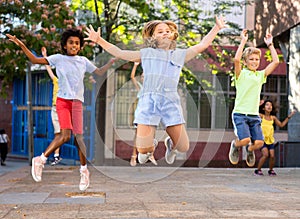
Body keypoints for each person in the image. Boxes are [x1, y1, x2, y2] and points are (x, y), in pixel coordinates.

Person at [84, 16, 226, 164]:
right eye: (160, 31)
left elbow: (202, 45)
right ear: (152, 37)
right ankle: (149, 146)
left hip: (170, 102)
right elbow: (120, 53)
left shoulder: (179, 55)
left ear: (172, 35)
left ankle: (170, 144)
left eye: (168, 31)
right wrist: (99, 40)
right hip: (149, 101)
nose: (165, 33)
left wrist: (216, 28)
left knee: (183, 146)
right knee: (143, 153)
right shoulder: (146, 54)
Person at [7, 28, 115, 191]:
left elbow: (99, 72)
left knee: (79, 139)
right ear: (65, 45)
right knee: (65, 135)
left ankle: (84, 171)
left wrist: (111, 62)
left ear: (80, 46)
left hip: (77, 103)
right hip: (63, 102)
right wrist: (21, 44)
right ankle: (41, 160)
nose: (74, 45)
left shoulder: (83, 61)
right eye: (71, 42)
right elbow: (35, 60)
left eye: (77, 43)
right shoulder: (58, 59)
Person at [229, 29, 279, 167]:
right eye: (251, 59)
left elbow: (275, 62)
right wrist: (243, 41)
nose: (255, 61)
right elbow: (236, 59)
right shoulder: (240, 74)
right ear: (246, 62)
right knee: (244, 139)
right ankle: (235, 145)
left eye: (257, 59)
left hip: (254, 115)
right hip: (240, 114)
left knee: (259, 143)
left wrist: (270, 45)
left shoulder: (260, 76)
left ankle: (249, 150)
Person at [254, 100, 295, 176]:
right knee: (265, 154)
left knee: (272, 156)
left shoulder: (273, 118)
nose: (269, 106)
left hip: (270, 140)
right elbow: (253, 113)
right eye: (267, 105)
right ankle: (257, 170)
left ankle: (271, 170)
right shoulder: (261, 116)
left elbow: (281, 125)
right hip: (262, 140)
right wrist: (258, 104)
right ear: (263, 108)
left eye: (270, 105)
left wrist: (289, 117)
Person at [130, 62, 157, 166]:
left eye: (145, 76)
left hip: (151, 115)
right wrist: (136, 65)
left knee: (152, 135)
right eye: (142, 76)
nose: (143, 78)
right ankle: (134, 156)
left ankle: (151, 154)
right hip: (141, 115)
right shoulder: (140, 88)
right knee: (137, 135)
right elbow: (132, 76)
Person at [41, 47, 62, 166]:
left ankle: (56, 155)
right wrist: (45, 55)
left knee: (63, 134)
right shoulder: (56, 80)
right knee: (57, 134)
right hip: (54, 109)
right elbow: (48, 68)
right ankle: (56, 156)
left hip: (62, 109)